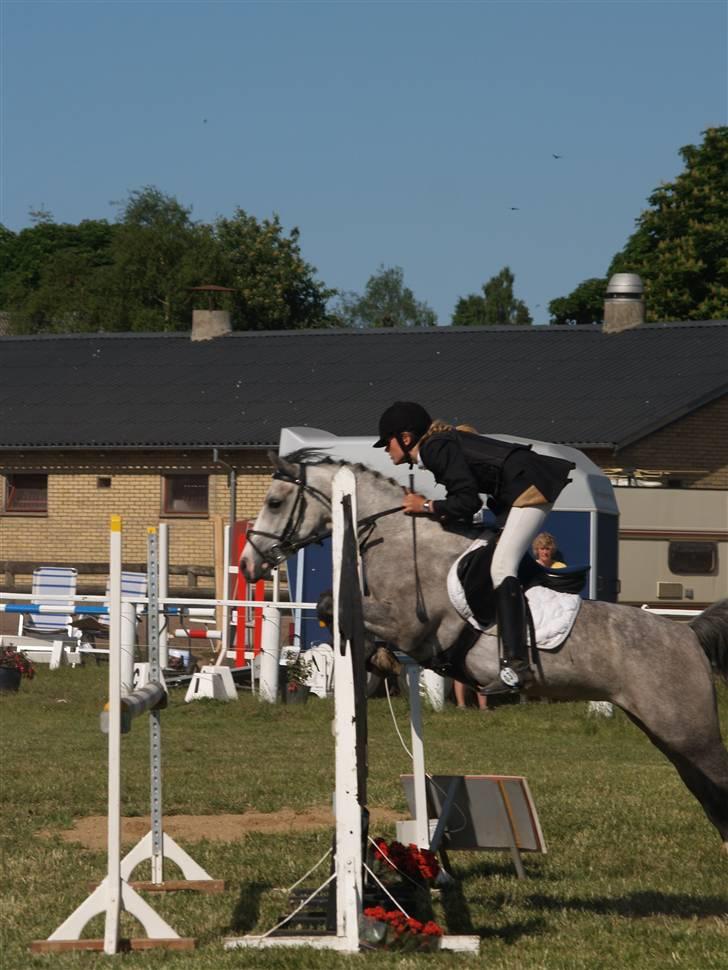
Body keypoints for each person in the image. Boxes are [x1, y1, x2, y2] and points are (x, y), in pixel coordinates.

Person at [373, 401, 575, 694]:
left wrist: (426, 505)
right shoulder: (437, 447)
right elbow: (465, 509)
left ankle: (515, 666)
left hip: (529, 487)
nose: (385, 449)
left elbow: (467, 502)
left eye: (387, 441)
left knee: (501, 567)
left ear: (405, 438)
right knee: (493, 554)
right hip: (518, 490)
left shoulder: (434, 449)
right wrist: (430, 508)